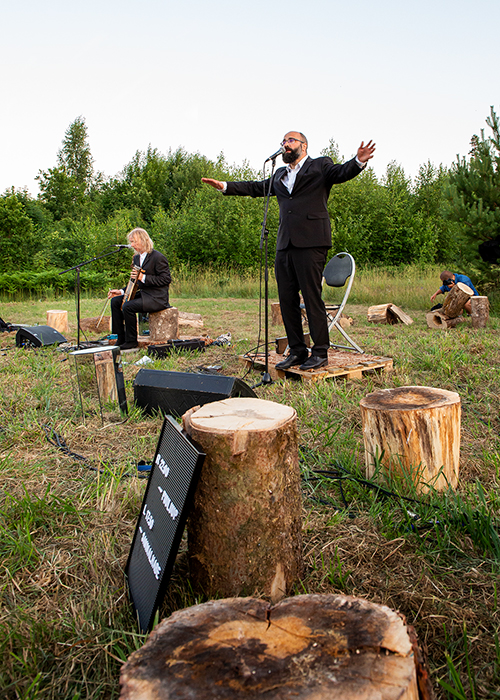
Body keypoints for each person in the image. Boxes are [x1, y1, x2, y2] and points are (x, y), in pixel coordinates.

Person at [202, 131, 375, 370]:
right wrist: (224, 186)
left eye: (290, 140)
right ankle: (297, 351)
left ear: (303, 146)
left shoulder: (319, 165)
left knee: (312, 297)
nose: (285, 144)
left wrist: (358, 161)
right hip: (284, 244)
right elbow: (256, 187)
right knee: (286, 299)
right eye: (283, 142)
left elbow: (341, 173)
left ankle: (320, 352)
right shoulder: (280, 174)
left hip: (312, 242)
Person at [108, 228, 171, 350]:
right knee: (116, 302)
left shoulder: (158, 257)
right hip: (144, 294)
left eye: (134, 242)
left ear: (143, 240)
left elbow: (166, 280)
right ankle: (121, 337)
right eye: (131, 242)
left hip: (157, 297)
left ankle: (131, 341)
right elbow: (135, 282)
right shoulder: (136, 258)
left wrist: (144, 277)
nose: (132, 245)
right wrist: (121, 291)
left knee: (128, 306)